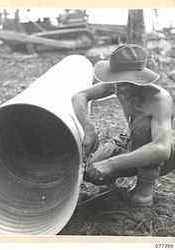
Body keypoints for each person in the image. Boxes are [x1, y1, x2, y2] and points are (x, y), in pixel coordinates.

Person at [71, 44, 175, 207]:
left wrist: (111, 164)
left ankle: (144, 189)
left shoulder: (159, 99)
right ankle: (111, 181)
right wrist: (88, 129)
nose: (118, 90)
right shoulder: (118, 84)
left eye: (125, 84)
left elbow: (162, 149)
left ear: (140, 80)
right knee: (90, 172)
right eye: (116, 84)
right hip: (128, 141)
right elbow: (79, 96)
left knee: (143, 127)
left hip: (155, 152)